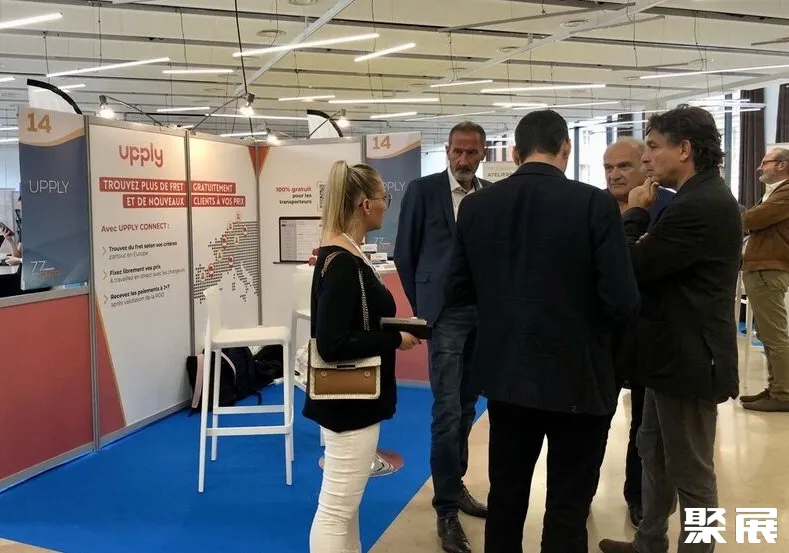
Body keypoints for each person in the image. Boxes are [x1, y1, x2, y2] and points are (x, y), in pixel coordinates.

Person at [444, 109, 640, 553]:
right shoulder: (593, 204)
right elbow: (622, 300)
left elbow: (457, 290)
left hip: (507, 376)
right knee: (568, 503)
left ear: (515, 152)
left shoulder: (476, 206)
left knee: (507, 493)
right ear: (565, 149)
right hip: (579, 377)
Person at [599, 106, 741, 553]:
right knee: (654, 452)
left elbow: (629, 266)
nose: (647, 159)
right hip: (669, 354)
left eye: (653, 147)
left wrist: (635, 214)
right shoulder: (695, 197)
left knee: (692, 473)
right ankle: (650, 540)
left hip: (689, 358)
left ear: (684, 150)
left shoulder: (699, 205)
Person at [305, 160, 421, 553]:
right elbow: (332, 344)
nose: (386, 204)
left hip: (352, 402)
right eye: (383, 197)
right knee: (336, 510)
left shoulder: (346, 253)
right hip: (350, 403)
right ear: (364, 204)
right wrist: (393, 340)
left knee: (345, 508)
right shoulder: (343, 263)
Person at [395, 121, 490, 553]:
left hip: (482, 314)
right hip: (445, 315)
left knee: (468, 405)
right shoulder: (423, 190)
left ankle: (456, 483)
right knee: (447, 411)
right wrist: (424, 307)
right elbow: (405, 252)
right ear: (448, 151)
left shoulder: (489, 195)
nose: (464, 160)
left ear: (483, 152)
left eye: (471, 152)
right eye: (457, 151)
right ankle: (446, 509)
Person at [598, 138, 675, 528]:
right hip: (602, 333)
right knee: (593, 419)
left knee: (645, 426)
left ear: (646, 167)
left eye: (624, 166)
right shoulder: (591, 207)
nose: (614, 174)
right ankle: (579, 493)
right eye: (608, 167)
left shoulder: (671, 208)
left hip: (650, 331)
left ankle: (638, 497)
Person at [740, 147, 789, 412]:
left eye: (765, 163)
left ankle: (783, 393)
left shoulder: (785, 192)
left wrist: (739, 219)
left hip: (768, 269)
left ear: (781, 165)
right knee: (768, 334)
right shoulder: (775, 192)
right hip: (763, 268)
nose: (760, 168)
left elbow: (755, 218)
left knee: (775, 334)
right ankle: (775, 387)